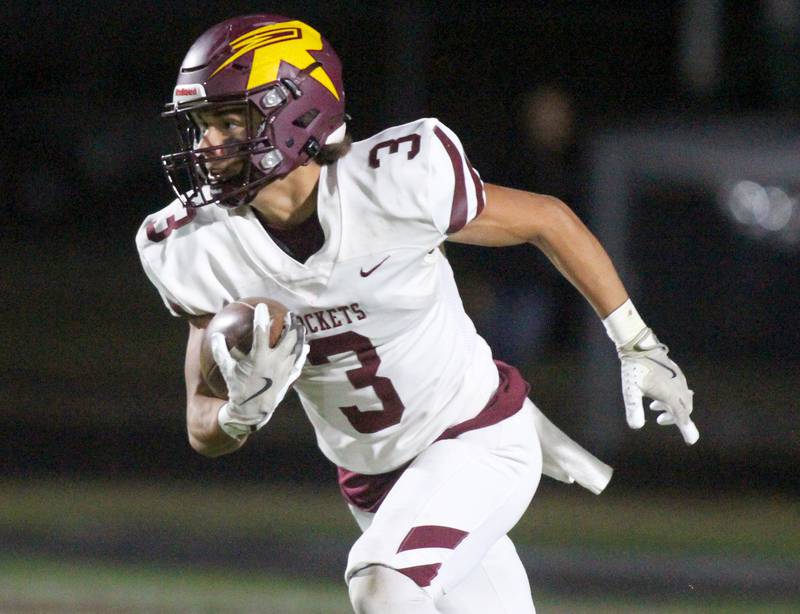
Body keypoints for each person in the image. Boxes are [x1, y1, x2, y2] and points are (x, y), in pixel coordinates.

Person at [136, 14, 698, 614]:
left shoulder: (395, 182)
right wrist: (242, 413)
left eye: (228, 121)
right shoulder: (197, 247)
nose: (207, 146)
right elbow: (202, 424)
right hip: (373, 483)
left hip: (477, 438)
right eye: (200, 126)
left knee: (382, 584)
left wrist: (636, 341)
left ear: (298, 113)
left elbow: (547, 219)